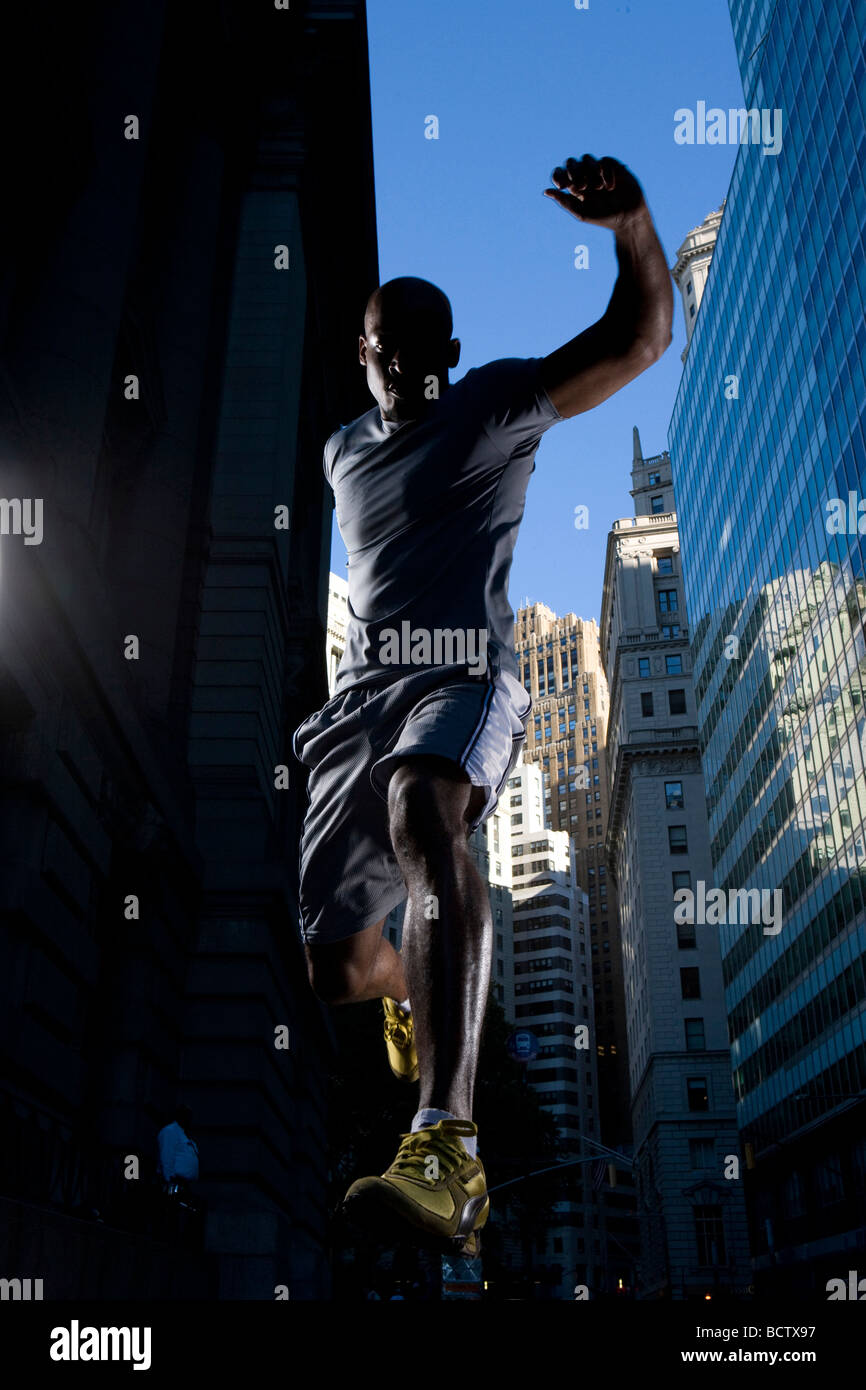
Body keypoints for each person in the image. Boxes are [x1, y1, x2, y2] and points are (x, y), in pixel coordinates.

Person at [293, 153, 672, 1254]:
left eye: (420, 349)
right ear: (362, 354)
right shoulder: (336, 452)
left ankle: (445, 1147)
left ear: (447, 358)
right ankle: (421, 987)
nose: (398, 362)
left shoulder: (497, 401)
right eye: (381, 346)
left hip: (461, 676)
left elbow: (636, 339)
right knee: (330, 965)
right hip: (353, 705)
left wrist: (633, 226)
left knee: (426, 810)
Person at [156, 1105, 199, 1189]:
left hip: (183, 1184)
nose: (189, 1119)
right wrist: (169, 1180)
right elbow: (166, 1156)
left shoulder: (184, 1134)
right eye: (186, 1115)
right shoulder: (170, 1131)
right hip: (173, 1183)